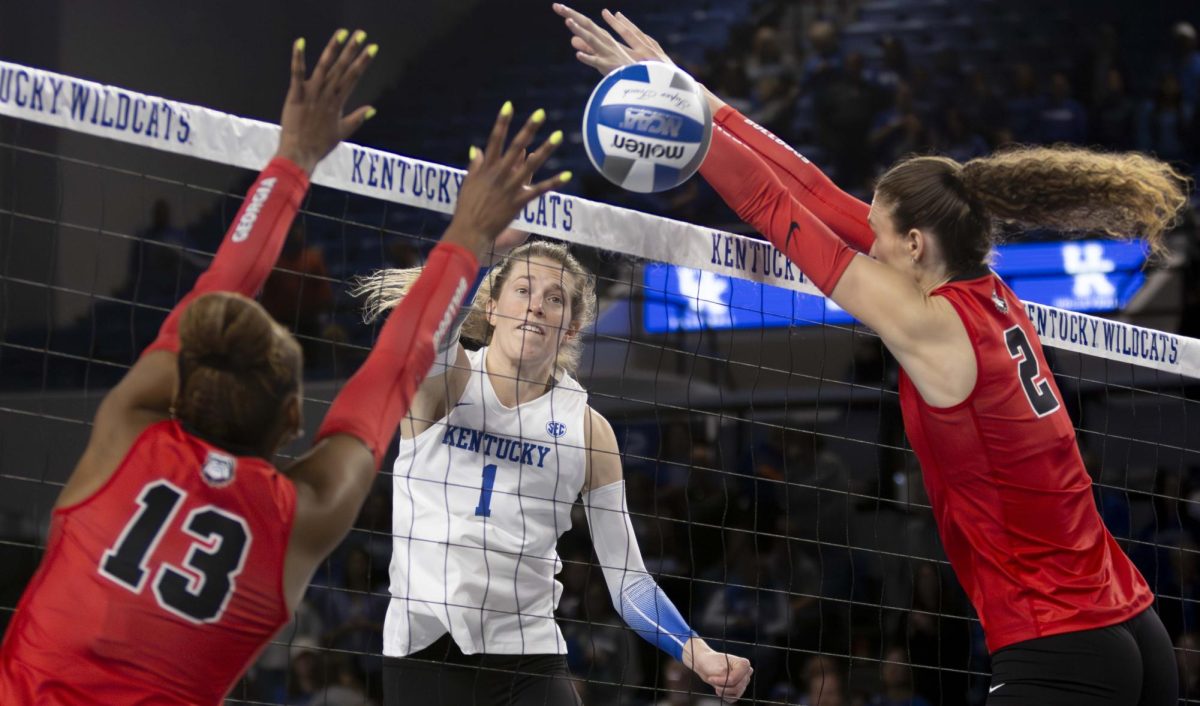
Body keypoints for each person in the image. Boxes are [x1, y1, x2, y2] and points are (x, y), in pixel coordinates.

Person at [554, 5, 1183, 705]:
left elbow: (773, 204)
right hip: (1128, 616)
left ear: (916, 245)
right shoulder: (987, 286)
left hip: (1059, 640)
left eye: (880, 238)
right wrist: (697, 97)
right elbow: (820, 196)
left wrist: (679, 125)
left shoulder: (928, 322)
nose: (870, 247)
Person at [0, 29, 567, 705]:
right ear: (292, 422)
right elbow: (393, 371)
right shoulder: (301, 517)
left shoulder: (128, 434)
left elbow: (223, 293)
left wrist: (293, 158)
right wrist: (470, 236)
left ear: (187, 391)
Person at [357, 215, 753, 703]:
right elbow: (429, 330)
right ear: (492, 305)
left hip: (529, 657)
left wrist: (698, 653)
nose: (537, 307)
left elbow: (628, 580)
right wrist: (480, 249)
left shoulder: (589, 431)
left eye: (554, 298)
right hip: (423, 655)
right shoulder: (448, 382)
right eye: (523, 290)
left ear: (571, 326)